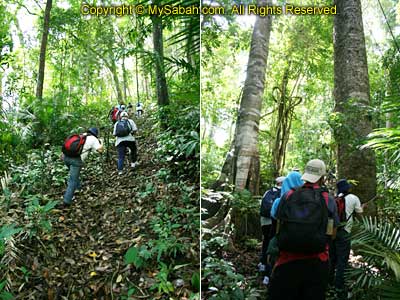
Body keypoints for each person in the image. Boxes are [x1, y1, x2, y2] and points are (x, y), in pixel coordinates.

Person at [269, 159, 339, 300]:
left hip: (286, 262)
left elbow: (278, 228)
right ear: (323, 177)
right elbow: (332, 234)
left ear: (305, 174)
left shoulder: (288, 195)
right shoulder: (328, 199)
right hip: (317, 263)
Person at [329, 179, 363, 299]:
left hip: (332, 232)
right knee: (342, 259)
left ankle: (329, 282)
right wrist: (361, 207)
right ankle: (339, 286)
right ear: (347, 188)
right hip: (345, 231)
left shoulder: (334, 198)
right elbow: (360, 212)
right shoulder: (353, 198)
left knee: (332, 257)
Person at [62, 128, 103, 207]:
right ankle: (66, 201)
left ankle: (78, 188)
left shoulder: (82, 135)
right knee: (72, 180)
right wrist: (101, 143)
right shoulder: (94, 139)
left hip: (66, 157)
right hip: (76, 161)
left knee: (73, 176)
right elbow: (100, 150)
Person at [258, 176, 286, 278]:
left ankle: (263, 263)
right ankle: (270, 271)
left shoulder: (268, 192)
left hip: (265, 221)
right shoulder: (283, 194)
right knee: (273, 244)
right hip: (274, 222)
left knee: (265, 241)